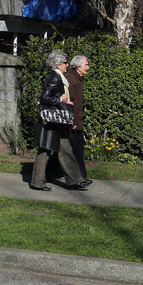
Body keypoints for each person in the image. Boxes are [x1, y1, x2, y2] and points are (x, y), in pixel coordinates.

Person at [29, 50, 88, 191]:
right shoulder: (55, 78)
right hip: (51, 121)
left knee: (64, 148)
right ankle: (38, 183)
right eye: (65, 62)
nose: (67, 65)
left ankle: (74, 180)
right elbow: (44, 97)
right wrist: (60, 99)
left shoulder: (60, 77)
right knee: (45, 151)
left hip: (56, 121)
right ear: (58, 64)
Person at [66, 55, 92, 186]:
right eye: (85, 65)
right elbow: (70, 103)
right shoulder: (71, 79)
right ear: (77, 66)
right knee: (73, 150)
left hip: (77, 121)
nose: (87, 67)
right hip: (73, 122)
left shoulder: (78, 78)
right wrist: (74, 122)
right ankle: (79, 178)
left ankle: (81, 177)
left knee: (76, 149)